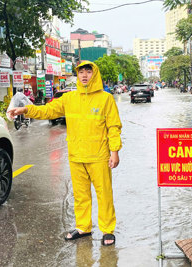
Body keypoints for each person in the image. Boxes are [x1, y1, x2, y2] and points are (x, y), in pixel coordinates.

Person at [7, 61, 122, 246]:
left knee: (104, 195)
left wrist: (114, 151)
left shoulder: (105, 99)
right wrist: (26, 109)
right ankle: (83, 227)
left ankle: (107, 230)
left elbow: (114, 127)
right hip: (76, 156)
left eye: (88, 72)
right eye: (81, 72)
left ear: (95, 74)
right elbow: (48, 110)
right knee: (80, 195)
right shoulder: (69, 98)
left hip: (99, 156)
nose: (84, 75)